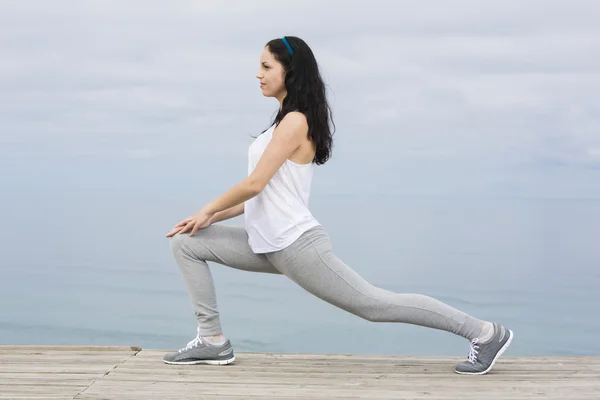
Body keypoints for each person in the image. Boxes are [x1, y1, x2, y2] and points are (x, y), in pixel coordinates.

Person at [163, 36, 513, 375]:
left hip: (297, 246)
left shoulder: (295, 122)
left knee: (375, 305)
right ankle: (212, 340)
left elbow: (253, 184)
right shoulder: (280, 123)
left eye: (266, 66)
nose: (258, 74)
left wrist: (206, 209)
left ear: (290, 71)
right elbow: (259, 195)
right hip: (266, 244)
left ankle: (484, 332)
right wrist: (206, 219)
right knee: (187, 242)